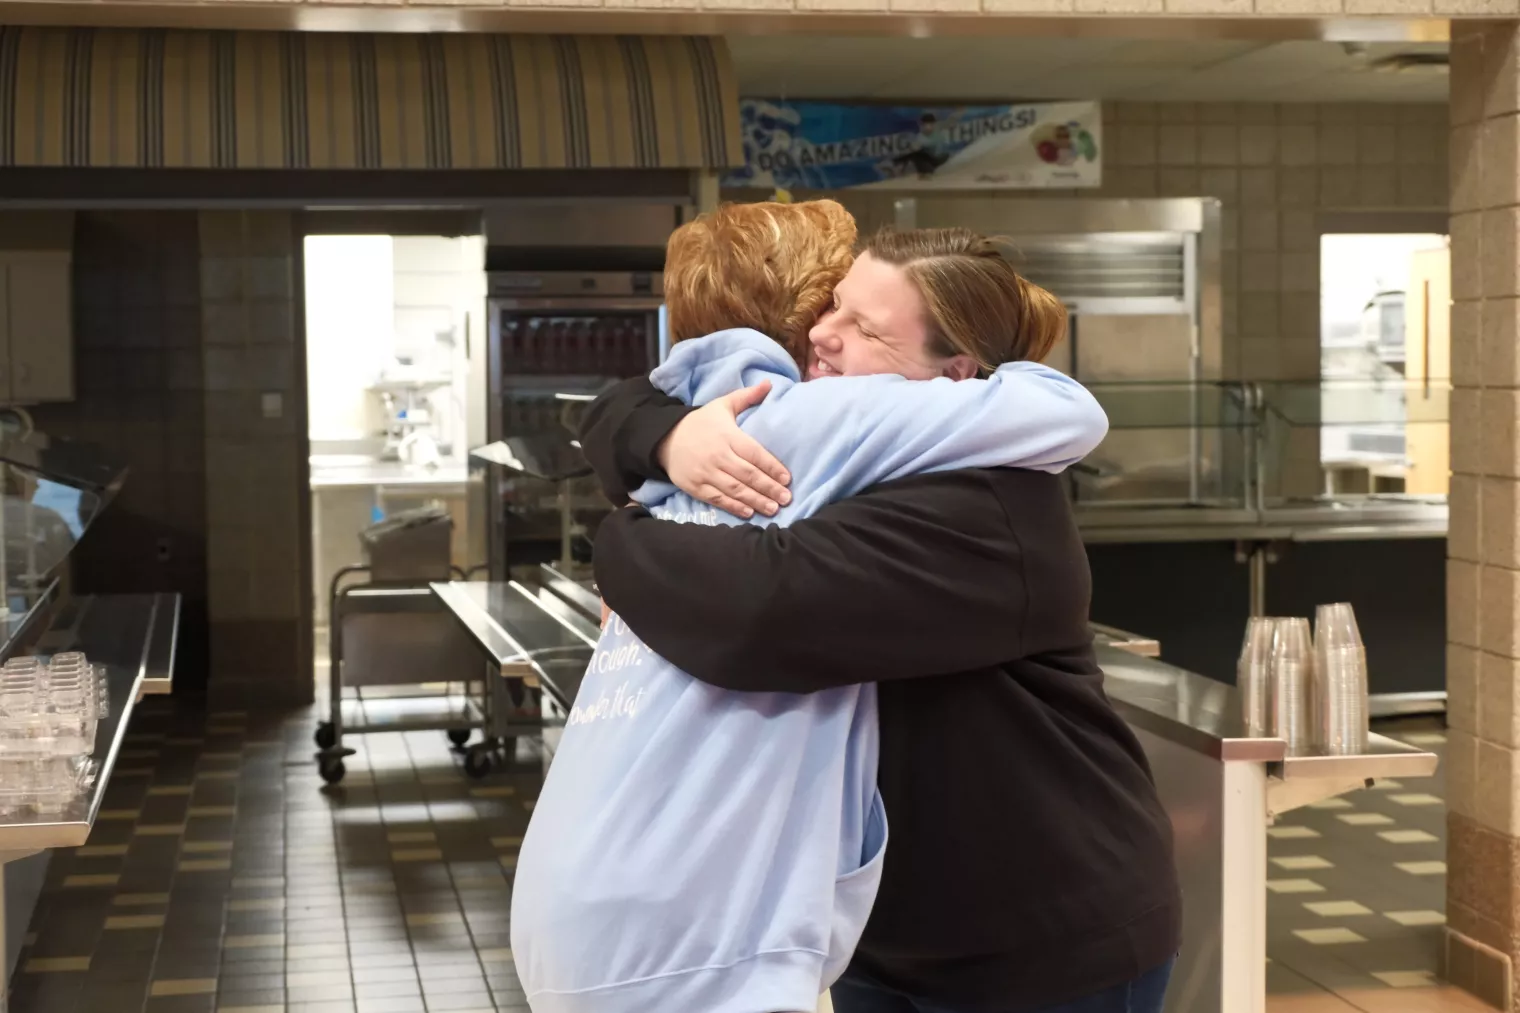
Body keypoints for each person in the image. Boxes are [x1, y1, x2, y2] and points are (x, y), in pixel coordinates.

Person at [511, 203, 1110, 1013]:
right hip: (890, 932)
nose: (829, 334)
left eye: (862, 324)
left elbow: (759, 603)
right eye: (831, 306)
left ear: (955, 373)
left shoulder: (979, 495)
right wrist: (661, 442)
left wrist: (623, 532)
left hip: (1033, 934)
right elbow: (618, 410)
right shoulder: (802, 438)